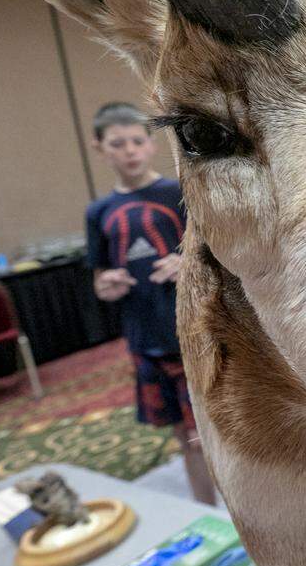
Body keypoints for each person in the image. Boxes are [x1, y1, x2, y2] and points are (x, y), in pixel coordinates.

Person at [85, 102, 215, 505]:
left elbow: (218, 256)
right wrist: (105, 285)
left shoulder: (179, 192)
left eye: (137, 141)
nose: (129, 151)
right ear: (100, 148)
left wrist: (187, 260)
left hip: (196, 333)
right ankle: (206, 513)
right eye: (118, 143)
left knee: (229, 425)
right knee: (188, 438)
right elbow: (100, 278)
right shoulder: (98, 212)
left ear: (151, 144)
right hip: (147, 337)